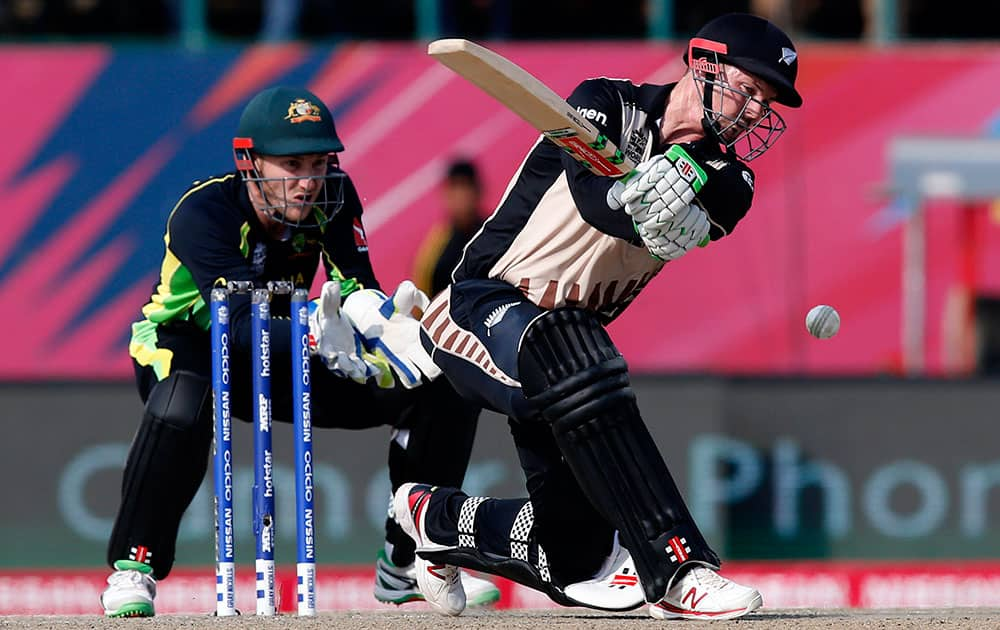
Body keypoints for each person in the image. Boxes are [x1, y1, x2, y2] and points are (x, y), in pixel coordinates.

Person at [392, 12, 803, 620]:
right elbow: (593, 202)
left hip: (566, 357)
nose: (750, 112)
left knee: (575, 557)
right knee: (579, 353)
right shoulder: (605, 103)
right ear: (704, 64)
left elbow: (719, 197)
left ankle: (434, 517)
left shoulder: (732, 178)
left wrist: (682, 186)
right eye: (747, 89)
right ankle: (678, 565)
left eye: (763, 103)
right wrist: (630, 200)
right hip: (481, 305)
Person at [100, 86, 499, 617]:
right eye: (291, 164)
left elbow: (354, 284)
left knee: (439, 385)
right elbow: (238, 326)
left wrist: (385, 325)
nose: (309, 180)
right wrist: (314, 329)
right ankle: (134, 567)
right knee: (183, 400)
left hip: (289, 339)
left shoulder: (332, 196)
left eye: (317, 161)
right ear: (248, 161)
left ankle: (411, 560)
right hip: (190, 344)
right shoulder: (204, 213)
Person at [412, 159, 486, 298]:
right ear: (447, 195)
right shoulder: (434, 252)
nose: (461, 196)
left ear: (478, 190)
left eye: (465, 187)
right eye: (455, 188)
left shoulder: (495, 232)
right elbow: (421, 304)